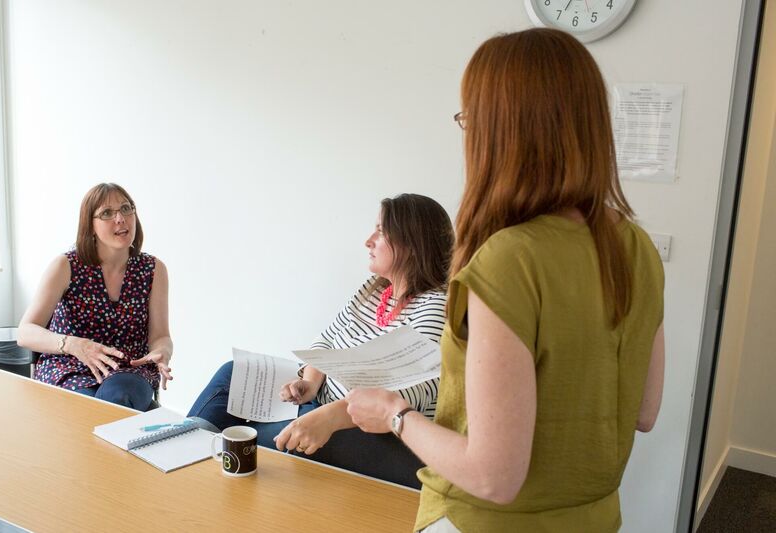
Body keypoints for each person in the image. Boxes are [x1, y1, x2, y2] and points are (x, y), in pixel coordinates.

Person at [346, 29, 666, 533]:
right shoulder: (636, 248)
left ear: (501, 130)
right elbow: (644, 412)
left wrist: (394, 413)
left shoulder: (508, 260)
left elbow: (494, 477)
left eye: (470, 119)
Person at [188, 193, 453, 487]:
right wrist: (310, 382)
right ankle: (181, 444)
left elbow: (409, 393)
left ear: (413, 244)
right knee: (232, 371)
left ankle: (193, 454)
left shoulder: (435, 308)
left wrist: (327, 417)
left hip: (360, 431)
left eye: (381, 231)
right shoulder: (375, 291)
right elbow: (327, 340)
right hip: (319, 402)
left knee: (242, 435)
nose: (369, 240)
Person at [18, 183, 172, 411]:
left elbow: (160, 336)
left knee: (120, 396)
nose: (120, 218)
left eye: (126, 208)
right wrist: (73, 344)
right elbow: (25, 332)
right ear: (89, 225)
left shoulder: (153, 269)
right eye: (107, 213)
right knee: (84, 409)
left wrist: (163, 352)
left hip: (129, 370)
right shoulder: (65, 265)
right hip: (69, 366)